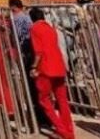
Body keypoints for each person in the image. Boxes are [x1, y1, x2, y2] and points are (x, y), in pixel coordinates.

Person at [29, 8, 75, 139]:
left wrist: (33, 67)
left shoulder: (34, 29)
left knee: (44, 100)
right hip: (59, 66)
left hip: (45, 68)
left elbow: (38, 52)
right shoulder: (51, 28)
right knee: (62, 101)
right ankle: (69, 129)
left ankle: (62, 130)